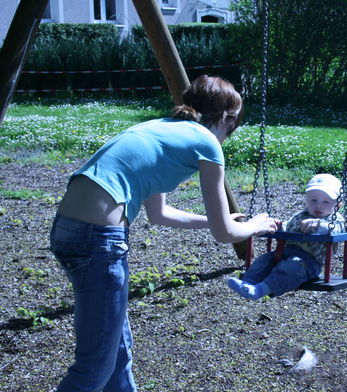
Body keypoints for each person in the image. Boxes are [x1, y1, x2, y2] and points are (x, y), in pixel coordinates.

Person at [49, 75, 277, 392]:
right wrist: (257, 224)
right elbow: (225, 234)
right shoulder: (207, 142)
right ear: (227, 118)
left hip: (67, 229)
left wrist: (221, 219)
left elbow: (160, 214)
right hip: (98, 238)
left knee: (117, 351)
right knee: (94, 367)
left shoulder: (160, 128)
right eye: (235, 124)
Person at [227, 173, 345, 300]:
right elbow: (288, 227)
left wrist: (318, 224)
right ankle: (247, 283)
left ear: (338, 205)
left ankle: (259, 290)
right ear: (307, 200)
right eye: (313, 200)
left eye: (326, 201)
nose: (318, 205)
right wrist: (278, 226)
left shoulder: (335, 220)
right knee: (263, 260)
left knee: (290, 267)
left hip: (309, 263)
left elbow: (336, 230)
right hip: (283, 253)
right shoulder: (301, 215)